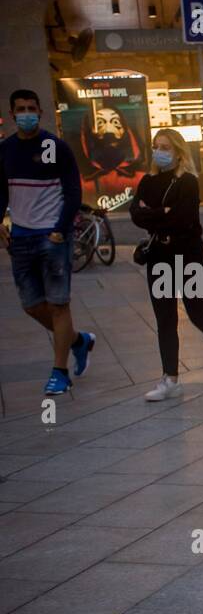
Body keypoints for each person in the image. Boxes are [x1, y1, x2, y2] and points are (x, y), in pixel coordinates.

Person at [130, 128, 203, 401]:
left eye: (166, 147)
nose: (160, 151)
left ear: (178, 152)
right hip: (159, 256)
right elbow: (135, 214)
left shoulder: (189, 181)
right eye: (156, 146)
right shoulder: (147, 181)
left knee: (197, 313)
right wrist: (162, 213)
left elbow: (184, 219)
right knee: (165, 319)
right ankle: (170, 379)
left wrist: (153, 214)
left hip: (188, 255)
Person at [0, 89, 94, 396]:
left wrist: (60, 229)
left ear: (40, 112)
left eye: (31, 108)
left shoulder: (54, 147)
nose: (26, 113)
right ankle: (79, 341)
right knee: (30, 305)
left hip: (53, 237)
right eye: (21, 109)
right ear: (12, 114)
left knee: (58, 304)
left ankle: (60, 372)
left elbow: (72, 192)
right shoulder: (6, 150)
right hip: (21, 237)